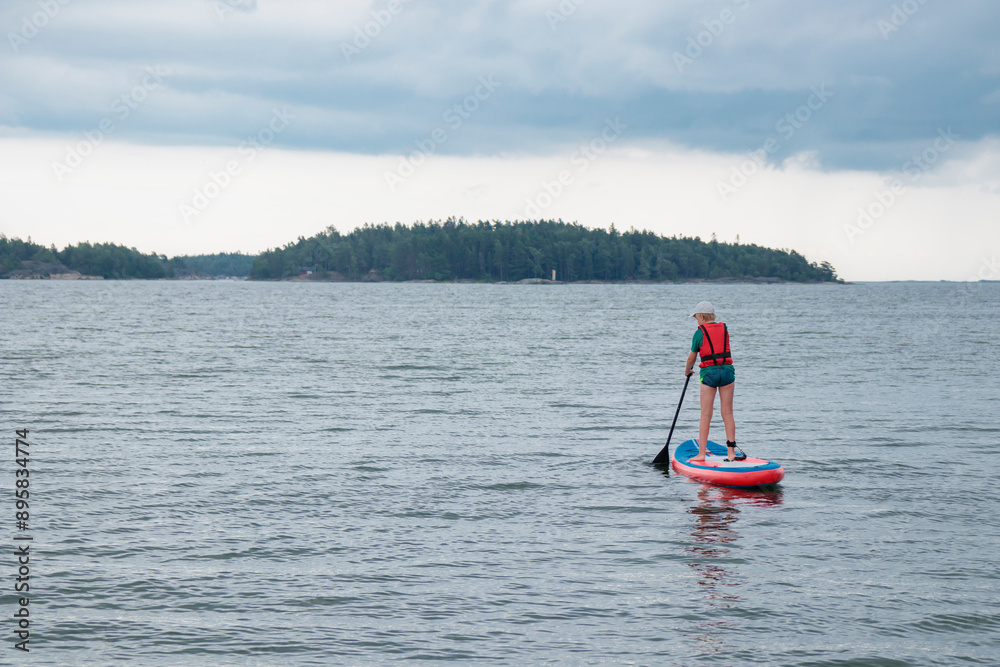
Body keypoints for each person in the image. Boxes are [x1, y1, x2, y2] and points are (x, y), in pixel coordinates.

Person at [683, 301, 740, 462]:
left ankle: (701, 454)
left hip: (709, 374)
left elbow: (691, 358)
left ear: (701, 316)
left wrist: (687, 371)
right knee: (727, 413)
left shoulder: (699, 333)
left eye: (696, 318)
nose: (697, 321)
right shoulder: (724, 329)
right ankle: (731, 453)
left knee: (706, 414)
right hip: (728, 372)